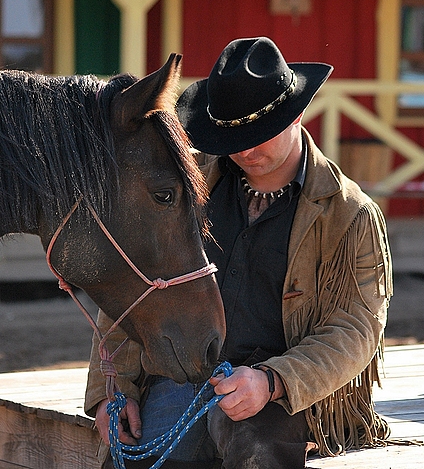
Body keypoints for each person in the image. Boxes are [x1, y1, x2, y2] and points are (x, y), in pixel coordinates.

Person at [84, 36, 393, 469]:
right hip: (186, 375)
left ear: (297, 114)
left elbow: (356, 329)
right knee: (136, 457)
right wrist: (111, 392)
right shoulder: (183, 189)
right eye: (234, 135)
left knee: (259, 456)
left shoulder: (350, 214)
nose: (246, 150)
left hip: (289, 393)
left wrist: (272, 381)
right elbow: (130, 288)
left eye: (259, 134)